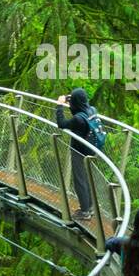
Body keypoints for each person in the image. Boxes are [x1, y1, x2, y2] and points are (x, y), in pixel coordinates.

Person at [55, 88, 93, 220]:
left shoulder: (78, 120)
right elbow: (77, 113)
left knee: (79, 180)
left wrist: (59, 105)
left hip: (79, 150)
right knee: (86, 178)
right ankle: (90, 207)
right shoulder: (91, 110)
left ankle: (85, 212)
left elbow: (62, 124)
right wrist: (70, 99)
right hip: (91, 149)